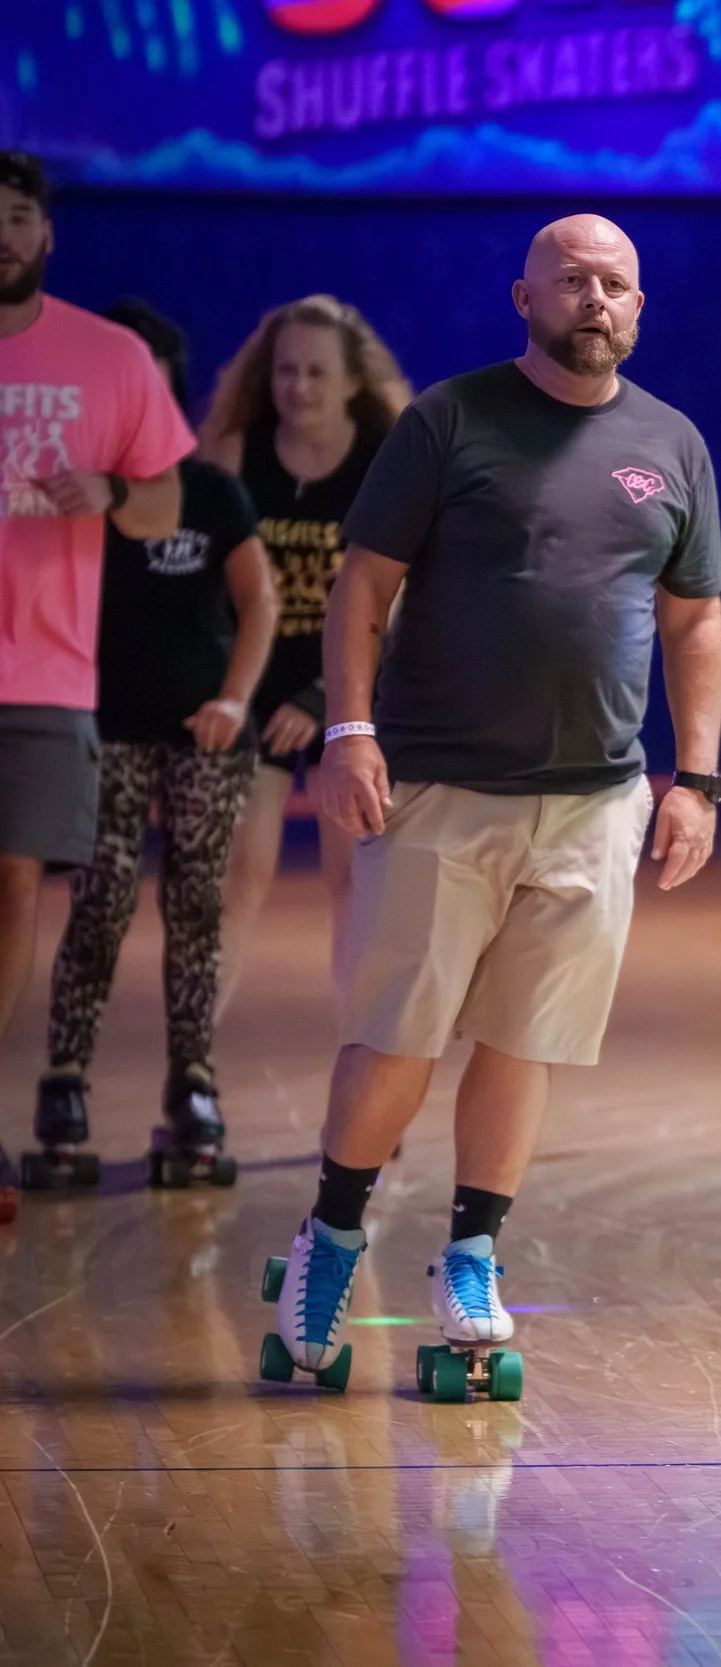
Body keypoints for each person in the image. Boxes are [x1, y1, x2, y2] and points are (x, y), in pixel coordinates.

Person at [263, 214, 721, 1392]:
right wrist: (352, 729)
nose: (596, 299)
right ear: (522, 295)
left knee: (526, 1040)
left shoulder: (671, 443)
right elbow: (365, 584)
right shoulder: (448, 421)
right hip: (439, 787)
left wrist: (700, 778)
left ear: (641, 304)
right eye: (572, 280)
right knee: (397, 1039)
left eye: (616, 283)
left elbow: (694, 620)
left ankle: (471, 1252)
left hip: (594, 804)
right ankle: (328, 1236)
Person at [34, 300, 277, 1191]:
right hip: (104, 725)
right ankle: (64, 1082)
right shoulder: (75, 490)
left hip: (202, 730)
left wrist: (232, 699)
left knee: (196, 906)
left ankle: (193, 1083)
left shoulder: (212, 492)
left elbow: (260, 604)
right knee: (96, 906)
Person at [0, 152, 192, 1220]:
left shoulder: (108, 356)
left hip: (42, 669)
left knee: (15, 882)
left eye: (17, 215)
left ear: (47, 232)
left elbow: (165, 506)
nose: (2, 233)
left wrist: (111, 486)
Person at [200, 295, 411, 1010]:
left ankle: (365, 1068)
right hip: (255, 690)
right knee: (235, 878)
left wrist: (323, 696)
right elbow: (200, 591)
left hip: (353, 696)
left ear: (352, 381)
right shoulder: (232, 457)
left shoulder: (388, 459)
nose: (300, 387)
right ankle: (190, 1074)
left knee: (354, 882)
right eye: (287, 371)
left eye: (318, 372)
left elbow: (403, 598)